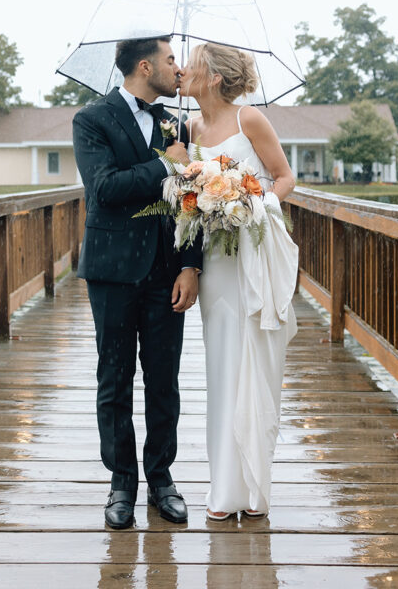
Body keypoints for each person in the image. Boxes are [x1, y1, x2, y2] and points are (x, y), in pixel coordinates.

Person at [72, 35, 202, 530]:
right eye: (171, 60)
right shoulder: (91, 119)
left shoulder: (176, 121)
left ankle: (162, 479)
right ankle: (121, 482)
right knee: (115, 379)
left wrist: (191, 265)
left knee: (164, 382)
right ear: (145, 67)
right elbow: (103, 189)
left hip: (168, 271)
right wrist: (166, 163)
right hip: (111, 271)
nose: (178, 68)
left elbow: (192, 199)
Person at [178, 42, 299, 520]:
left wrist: (250, 203)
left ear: (212, 77)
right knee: (221, 368)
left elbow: (284, 177)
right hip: (214, 262)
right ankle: (225, 488)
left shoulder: (250, 119)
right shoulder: (189, 127)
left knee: (254, 363)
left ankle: (253, 489)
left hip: (250, 251)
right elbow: (185, 193)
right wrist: (197, 193)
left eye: (193, 65)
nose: (182, 69)